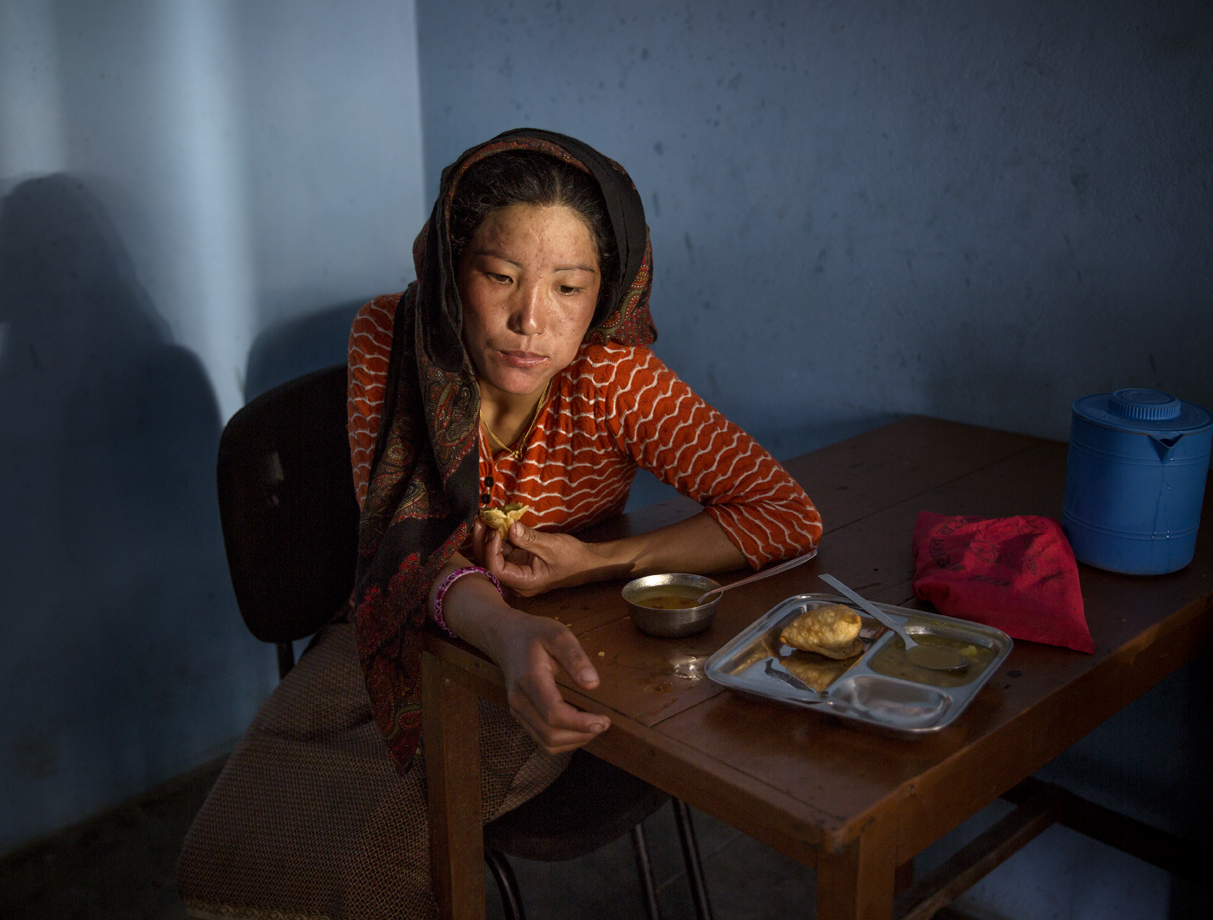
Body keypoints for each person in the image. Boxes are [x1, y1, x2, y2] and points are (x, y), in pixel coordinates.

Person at [178, 128, 822, 920]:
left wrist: (591, 563)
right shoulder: (391, 340)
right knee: (238, 839)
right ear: (452, 270)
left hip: (546, 643)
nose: (531, 320)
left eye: (568, 288)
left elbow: (784, 513)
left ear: (608, 291)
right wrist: (497, 626)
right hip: (392, 621)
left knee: (373, 859)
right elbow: (397, 541)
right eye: (500, 276)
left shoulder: (614, 378)